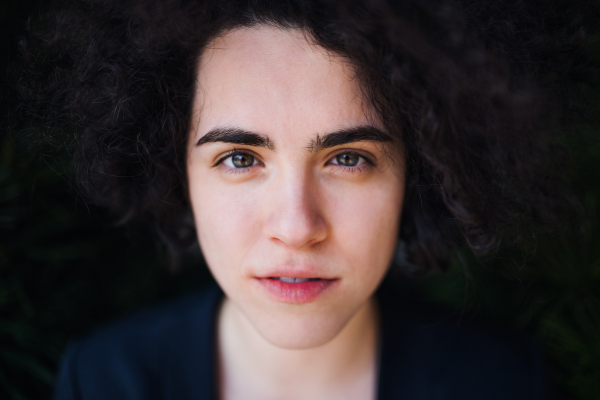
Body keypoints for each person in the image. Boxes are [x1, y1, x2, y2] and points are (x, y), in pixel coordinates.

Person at [17, 0, 572, 398]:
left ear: (421, 169)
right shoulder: (104, 379)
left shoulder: (502, 381)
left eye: (348, 158)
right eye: (240, 158)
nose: (297, 225)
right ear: (174, 170)